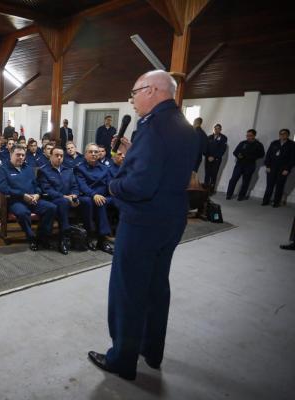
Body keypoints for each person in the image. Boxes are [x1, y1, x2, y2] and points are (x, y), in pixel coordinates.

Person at [88, 70, 198, 381]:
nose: (132, 99)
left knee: (128, 291)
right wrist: (131, 154)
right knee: (156, 286)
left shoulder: (152, 128)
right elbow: (162, 168)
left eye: (134, 92)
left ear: (152, 90)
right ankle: (152, 350)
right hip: (171, 217)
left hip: (143, 222)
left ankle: (122, 359)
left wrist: (113, 187)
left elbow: (139, 187)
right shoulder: (184, 125)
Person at [0, 144, 56, 251]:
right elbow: (4, 188)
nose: (21, 157)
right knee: (23, 213)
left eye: (23, 155)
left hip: (33, 199)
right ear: (11, 154)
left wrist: (37, 194)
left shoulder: (28, 169)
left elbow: (36, 184)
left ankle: (42, 236)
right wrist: (22, 195)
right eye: (18, 155)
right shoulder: (3, 169)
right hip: (15, 201)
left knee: (51, 207)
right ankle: (31, 237)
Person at [37, 147, 91, 255]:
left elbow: (75, 186)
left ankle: (88, 234)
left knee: (87, 201)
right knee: (63, 202)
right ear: (50, 156)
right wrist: (65, 197)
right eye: (56, 155)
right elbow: (47, 190)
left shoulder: (68, 170)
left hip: (69, 198)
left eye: (61, 156)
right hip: (54, 200)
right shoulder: (43, 171)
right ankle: (64, 237)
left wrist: (75, 195)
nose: (59, 158)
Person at [226, 129, 265, 201]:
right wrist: (238, 155)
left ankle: (241, 196)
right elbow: (235, 152)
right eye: (247, 136)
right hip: (239, 164)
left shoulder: (258, 145)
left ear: (254, 136)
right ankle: (229, 194)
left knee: (246, 182)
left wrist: (251, 157)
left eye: (250, 136)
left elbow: (262, 155)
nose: (248, 137)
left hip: (250, 165)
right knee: (233, 179)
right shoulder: (243, 143)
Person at [262, 129, 294, 207]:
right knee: (269, 185)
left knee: (279, 186)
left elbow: (293, 158)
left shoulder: (292, 144)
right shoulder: (274, 143)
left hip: (283, 169)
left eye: (284, 134)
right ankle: (265, 201)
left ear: (288, 135)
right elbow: (268, 155)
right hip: (272, 168)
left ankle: (276, 202)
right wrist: (267, 166)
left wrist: (287, 169)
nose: (282, 135)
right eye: (281, 134)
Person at [204, 123, 227, 194]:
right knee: (207, 174)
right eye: (215, 128)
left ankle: (211, 191)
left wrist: (213, 157)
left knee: (213, 175)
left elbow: (222, 149)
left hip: (216, 160)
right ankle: (205, 190)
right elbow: (205, 148)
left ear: (220, 130)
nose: (216, 130)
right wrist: (208, 156)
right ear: (213, 129)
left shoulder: (223, 138)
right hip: (208, 159)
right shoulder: (209, 137)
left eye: (218, 128)